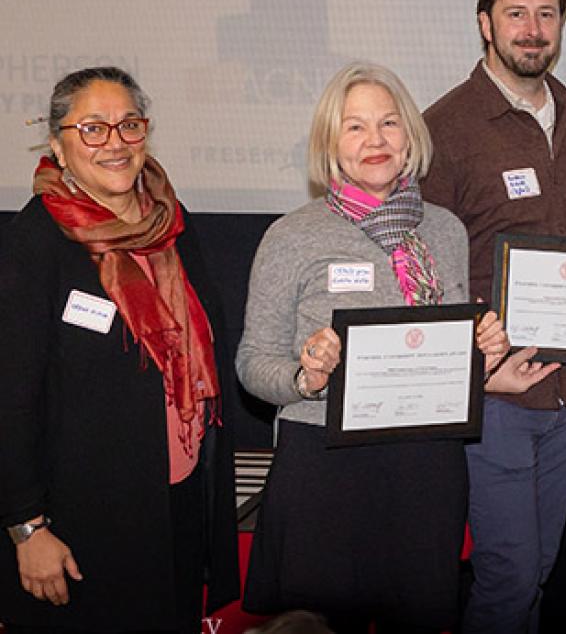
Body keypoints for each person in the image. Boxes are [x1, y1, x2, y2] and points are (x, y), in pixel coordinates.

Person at [236, 62, 534, 632]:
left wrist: (481, 350)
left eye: (389, 124)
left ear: (411, 136)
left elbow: (445, 350)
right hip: (326, 466)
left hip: (424, 467)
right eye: (354, 127)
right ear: (330, 143)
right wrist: (305, 376)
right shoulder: (293, 235)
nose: (375, 140)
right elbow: (252, 363)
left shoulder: (444, 230)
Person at [422, 0, 566, 634]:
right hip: (496, 400)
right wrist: (479, 365)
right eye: (516, 14)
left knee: (535, 573)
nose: (533, 29)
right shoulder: (443, 131)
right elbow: (420, 269)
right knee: (509, 576)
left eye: (546, 14)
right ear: (486, 24)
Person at [0, 67, 240, 631]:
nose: (115, 142)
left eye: (129, 125)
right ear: (57, 143)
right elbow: (9, 399)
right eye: (92, 128)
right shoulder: (35, 244)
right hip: (82, 525)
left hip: (174, 504)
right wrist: (26, 527)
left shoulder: (170, 225)